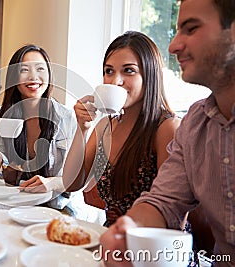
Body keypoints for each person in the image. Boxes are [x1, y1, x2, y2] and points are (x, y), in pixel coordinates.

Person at [99, 0, 235, 266]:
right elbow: (164, 203)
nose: (173, 46)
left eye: (191, 28)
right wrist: (129, 229)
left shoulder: (167, 126)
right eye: (108, 71)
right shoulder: (195, 124)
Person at [20, 31, 180, 226]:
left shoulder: (166, 128)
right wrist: (82, 127)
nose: (115, 81)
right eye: (109, 71)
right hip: (109, 236)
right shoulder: (106, 126)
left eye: (128, 70)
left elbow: (174, 215)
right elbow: (73, 183)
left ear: (150, 74)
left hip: (150, 244)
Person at [0, 44, 77, 211]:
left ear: (49, 75)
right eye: (24, 70)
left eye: (40, 69)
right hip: (18, 202)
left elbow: (79, 177)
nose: (33, 76)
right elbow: (4, 170)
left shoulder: (66, 118)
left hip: (58, 207)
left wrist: (52, 183)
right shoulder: (3, 115)